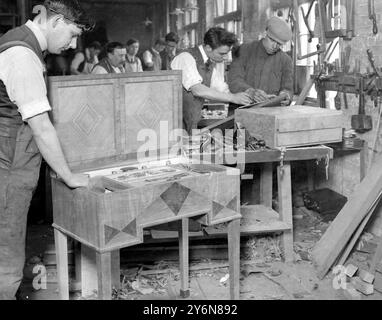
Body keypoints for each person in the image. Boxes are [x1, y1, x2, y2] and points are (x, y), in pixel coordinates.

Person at [0, 0, 91, 300]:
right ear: (55, 22)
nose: (73, 43)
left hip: (11, 163)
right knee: (7, 256)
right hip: (8, 170)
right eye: (73, 34)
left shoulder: (16, 42)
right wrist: (69, 176)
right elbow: (40, 126)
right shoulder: (22, 55)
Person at [171, 27, 252, 134]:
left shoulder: (208, 64)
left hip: (191, 121)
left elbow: (223, 89)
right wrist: (233, 98)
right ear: (208, 47)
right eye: (222, 54)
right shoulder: (185, 58)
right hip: (174, 123)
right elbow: (197, 89)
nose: (225, 58)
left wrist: (248, 95)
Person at [228, 16, 293, 105]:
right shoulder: (244, 50)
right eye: (272, 40)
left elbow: (287, 88)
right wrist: (250, 91)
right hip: (242, 108)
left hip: (271, 111)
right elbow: (234, 80)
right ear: (265, 33)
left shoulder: (286, 60)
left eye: (279, 44)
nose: (274, 46)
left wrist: (285, 96)